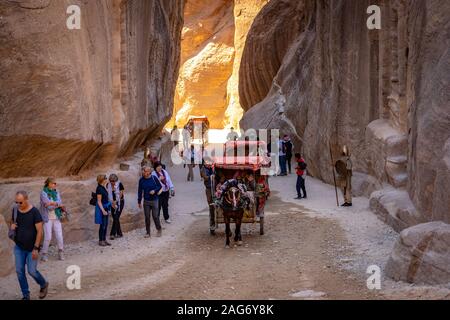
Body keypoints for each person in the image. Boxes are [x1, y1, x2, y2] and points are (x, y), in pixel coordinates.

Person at [10, 191, 49, 300]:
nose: (18, 204)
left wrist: (36, 248)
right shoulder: (14, 209)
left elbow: (40, 231)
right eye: (16, 202)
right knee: (19, 271)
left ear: (26, 199)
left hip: (32, 248)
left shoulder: (34, 212)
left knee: (32, 271)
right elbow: (12, 223)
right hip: (19, 247)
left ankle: (43, 284)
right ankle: (26, 295)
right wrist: (11, 226)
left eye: (20, 202)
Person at [40, 177, 65, 261]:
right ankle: (44, 254)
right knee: (48, 237)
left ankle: (61, 252)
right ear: (49, 184)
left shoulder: (56, 192)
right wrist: (56, 204)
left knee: (59, 235)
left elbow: (59, 202)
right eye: (54, 183)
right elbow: (49, 207)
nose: (55, 185)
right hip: (47, 218)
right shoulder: (43, 193)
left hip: (57, 216)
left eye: (55, 183)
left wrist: (52, 203)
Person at [138, 166, 163, 237]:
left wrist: (154, 191)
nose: (143, 172)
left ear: (149, 172)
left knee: (155, 216)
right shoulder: (141, 180)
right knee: (147, 217)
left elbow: (160, 186)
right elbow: (139, 191)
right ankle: (148, 232)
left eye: (145, 171)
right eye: (143, 171)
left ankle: (159, 229)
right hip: (146, 201)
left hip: (154, 200)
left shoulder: (154, 178)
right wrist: (139, 201)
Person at [95, 175, 112, 246]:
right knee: (103, 225)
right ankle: (101, 240)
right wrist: (103, 211)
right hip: (102, 208)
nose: (107, 179)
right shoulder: (99, 188)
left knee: (105, 224)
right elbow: (99, 201)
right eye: (106, 178)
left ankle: (104, 239)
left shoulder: (103, 187)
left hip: (106, 207)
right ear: (102, 180)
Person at [200, 164, 216, 235]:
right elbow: (205, 177)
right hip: (209, 189)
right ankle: (212, 225)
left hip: (217, 187)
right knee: (211, 206)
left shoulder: (214, 167)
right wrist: (212, 176)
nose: (209, 164)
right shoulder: (203, 169)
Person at [108, 174, 125, 240]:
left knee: (116, 217)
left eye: (113, 181)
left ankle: (112, 234)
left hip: (120, 202)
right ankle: (120, 233)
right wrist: (112, 202)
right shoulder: (108, 185)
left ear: (116, 180)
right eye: (111, 181)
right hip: (112, 203)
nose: (112, 182)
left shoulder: (119, 184)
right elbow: (108, 194)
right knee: (115, 218)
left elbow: (121, 194)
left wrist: (116, 201)